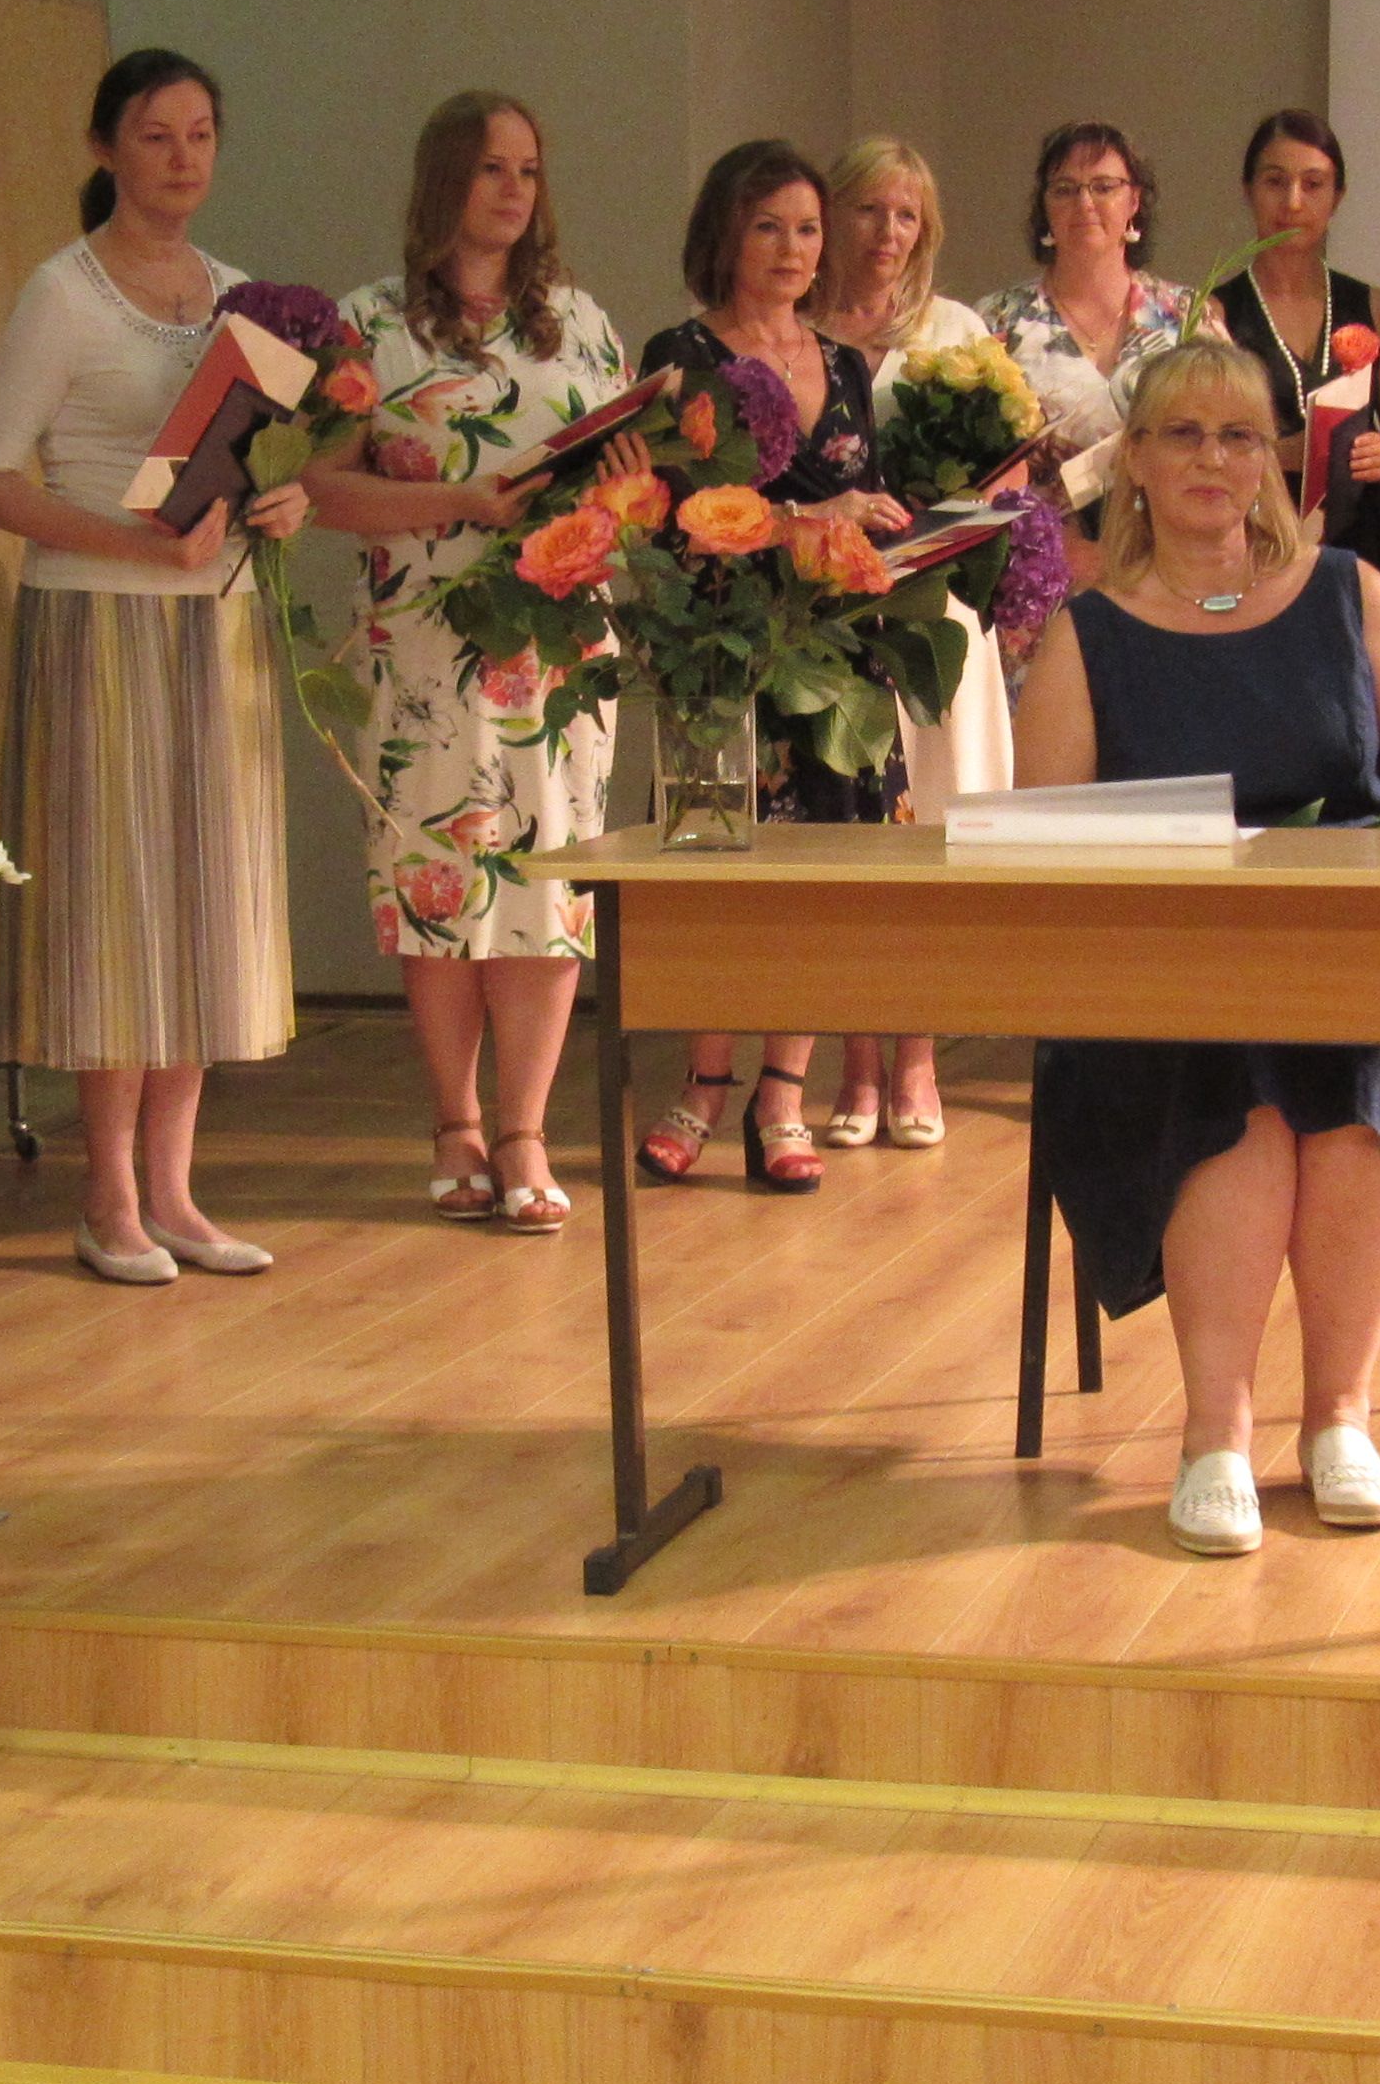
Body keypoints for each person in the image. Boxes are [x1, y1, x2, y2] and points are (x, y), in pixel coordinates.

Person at [1011, 339, 1380, 1556]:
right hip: (1166, 986)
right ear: (1135, 462)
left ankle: (1340, 1420)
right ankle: (1218, 1435)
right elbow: (1043, 851)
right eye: (1182, 434)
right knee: (1230, 1072)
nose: (1212, 458)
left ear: (1271, 462)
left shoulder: (1354, 593)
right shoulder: (1087, 635)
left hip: (1356, 962)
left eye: (1239, 435)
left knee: (1364, 1060)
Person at [0, 49, 312, 1284]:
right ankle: (106, 1194)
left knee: (205, 895)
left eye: (201, 134)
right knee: (118, 905)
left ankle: (174, 1189)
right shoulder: (62, 293)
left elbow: (257, 458)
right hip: (97, 622)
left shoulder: (243, 297)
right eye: (156, 136)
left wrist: (286, 502)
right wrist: (131, 542)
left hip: (217, 626)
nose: (182, 158)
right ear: (106, 147)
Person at [308, 90, 628, 1239]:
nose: (513, 190)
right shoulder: (369, 325)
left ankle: (526, 1131)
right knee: (438, 871)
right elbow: (321, 488)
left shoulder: (579, 324)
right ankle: (455, 1123)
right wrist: (458, 501)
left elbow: (623, 477)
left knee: (547, 880)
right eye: (492, 167)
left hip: (558, 636)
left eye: (529, 170)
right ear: (445, 177)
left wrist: (621, 480)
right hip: (426, 638)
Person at [634, 140, 911, 1195]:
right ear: (725, 234)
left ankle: (782, 1094)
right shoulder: (681, 353)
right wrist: (808, 520)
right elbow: (670, 514)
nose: (793, 249)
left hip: (833, 656)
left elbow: (866, 499)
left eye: (807, 229)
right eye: (768, 228)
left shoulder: (846, 364)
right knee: (717, 877)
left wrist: (904, 535)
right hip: (720, 649)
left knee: (818, 882)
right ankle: (703, 1085)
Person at [813, 133, 1000, 1150]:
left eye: (906, 215)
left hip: (936, 622)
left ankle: (918, 1054)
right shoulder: (795, 333)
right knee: (848, 834)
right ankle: (855, 1058)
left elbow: (1009, 473)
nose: (887, 232)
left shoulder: (956, 333)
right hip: (830, 619)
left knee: (934, 833)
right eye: (868, 209)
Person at [1213, 110, 1380, 594]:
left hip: (1360, 552)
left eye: (1313, 184)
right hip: (1256, 546)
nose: (1293, 202)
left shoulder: (1376, 307)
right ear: (1248, 190)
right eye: (1275, 182)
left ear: (1338, 196)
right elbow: (1197, 448)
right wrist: (1277, 455)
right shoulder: (1215, 314)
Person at [989, 120, 1199, 568]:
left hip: (1169, 562)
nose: (1084, 203)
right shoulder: (998, 322)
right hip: (1038, 568)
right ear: (1045, 207)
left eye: (1103, 187)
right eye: (1065, 189)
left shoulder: (1187, 317)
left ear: (1134, 201)